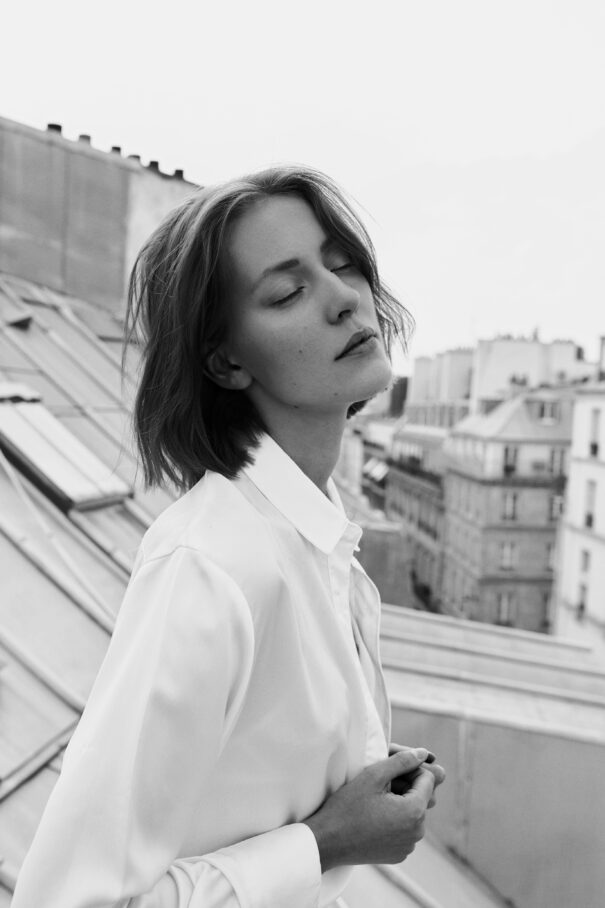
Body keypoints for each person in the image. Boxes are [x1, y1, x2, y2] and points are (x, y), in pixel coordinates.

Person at [11, 165, 445, 908]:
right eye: (287, 292)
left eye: (342, 266)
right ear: (225, 360)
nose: (344, 299)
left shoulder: (318, 544)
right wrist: (326, 842)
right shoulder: (214, 565)